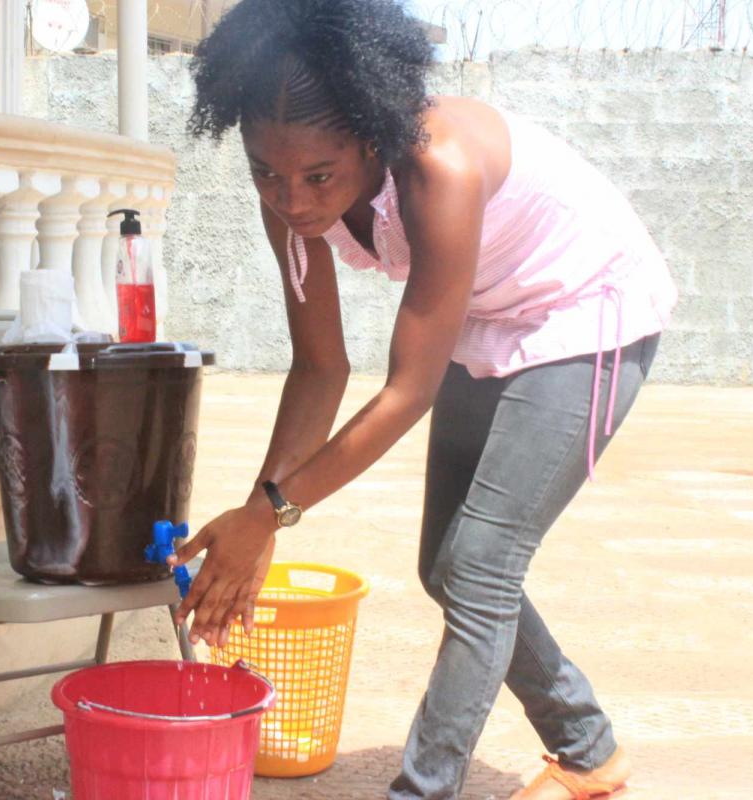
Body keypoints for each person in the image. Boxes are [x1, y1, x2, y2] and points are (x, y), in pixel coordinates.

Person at [165, 0, 676, 797]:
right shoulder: (287, 195)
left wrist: (268, 513)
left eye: (319, 176)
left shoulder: (442, 169)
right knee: (449, 566)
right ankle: (587, 749)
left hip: (585, 310)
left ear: (374, 136)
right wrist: (258, 517)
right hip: (489, 317)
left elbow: (408, 390)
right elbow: (318, 367)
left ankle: (422, 790)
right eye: (265, 171)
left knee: (479, 568)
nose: (293, 199)